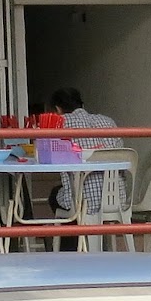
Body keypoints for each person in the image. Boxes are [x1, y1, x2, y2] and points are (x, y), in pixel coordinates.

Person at [47, 86, 121, 247]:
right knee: (67, 190)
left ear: (58, 109)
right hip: (115, 199)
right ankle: (92, 244)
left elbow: (50, 158)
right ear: (81, 104)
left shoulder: (58, 126)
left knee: (55, 195)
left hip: (82, 201)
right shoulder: (108, 122)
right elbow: (121, 155)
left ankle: (73, 248)